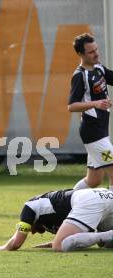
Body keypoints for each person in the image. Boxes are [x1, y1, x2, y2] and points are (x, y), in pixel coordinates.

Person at [0, 188, 113, 252]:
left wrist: (1, 248)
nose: (33, 232)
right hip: (105, 194)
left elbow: (16, 243)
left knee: (59, 245)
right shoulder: (51, 209)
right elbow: (78, 237)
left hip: (89, 200)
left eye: (30, 229)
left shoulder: (28, 207)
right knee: (106, 244)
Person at [68, 33, 113, 190]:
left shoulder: (98, 67)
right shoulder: (80, 76)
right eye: (91, 52)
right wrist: (96, 103)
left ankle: (66, 202)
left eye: (96, 49)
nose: (96, 53)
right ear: (81, 54)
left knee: (93, 180)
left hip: (101, 130)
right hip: (93, 132)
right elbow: (72, 106)